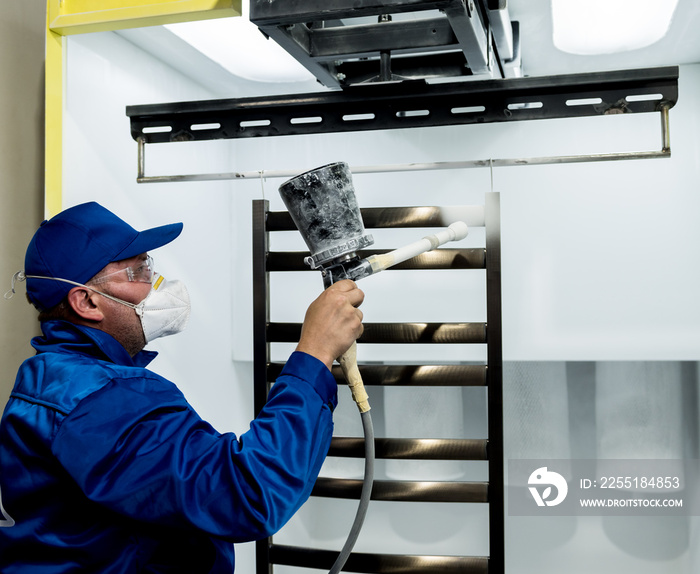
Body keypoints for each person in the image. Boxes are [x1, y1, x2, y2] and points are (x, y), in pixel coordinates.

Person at [0, 201, 364, 573]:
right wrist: (314, 354)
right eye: (138, 271)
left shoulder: (48, 379)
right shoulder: (100, 401)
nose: (156, 283)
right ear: (87, 301)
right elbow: (248, 493)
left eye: (149, 266)